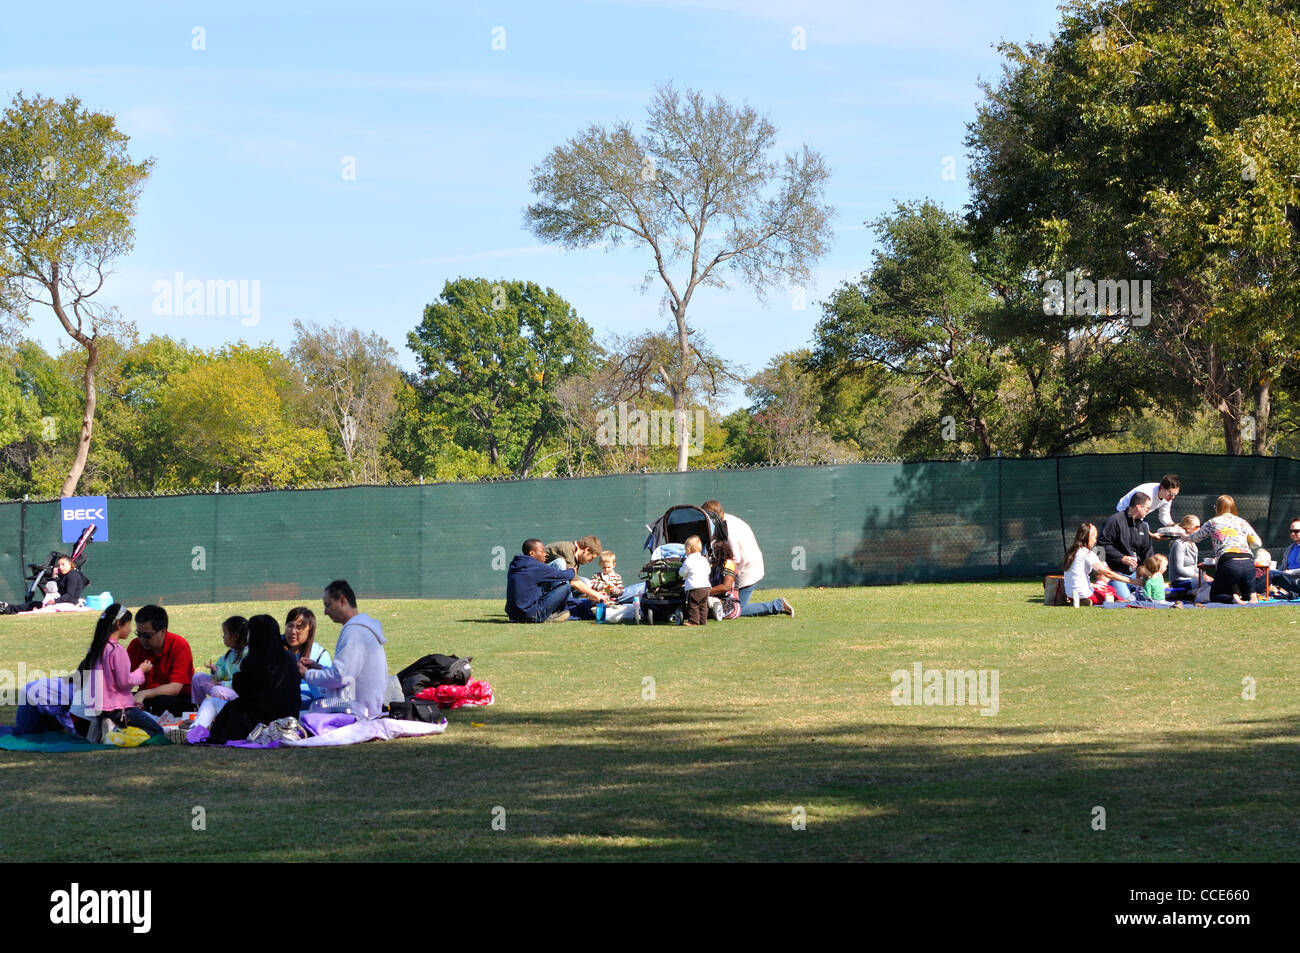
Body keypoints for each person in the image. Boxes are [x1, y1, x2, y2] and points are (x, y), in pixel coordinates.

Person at [203, 615, 302, 745]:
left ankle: (194, 729)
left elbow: (246, 692)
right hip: (288, 719)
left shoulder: (255, 660)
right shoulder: (289, 658)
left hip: (256, 722)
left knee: (214, 704)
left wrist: (238, 678)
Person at [301, 580, 390, 720]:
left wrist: (307, 674)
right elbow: (349, 674)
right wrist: (319, 668)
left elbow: (341, 677)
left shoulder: (354, 631)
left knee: (300, 717)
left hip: (356, 713)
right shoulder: (362, 629)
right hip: (366, 709)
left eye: (328, 605)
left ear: (342, 601)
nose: (325, 612)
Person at [75, 604, 160, 741]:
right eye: (128, 624)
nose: (130, 629)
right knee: (156, 731)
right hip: (119, 709)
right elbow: (124, 682)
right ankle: (116, 731)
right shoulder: (117, 650)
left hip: (99, 709)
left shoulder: (97, 648)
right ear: (119, 623)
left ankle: (111, 729)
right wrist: (141, 671)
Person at [700, 500, 793, 617]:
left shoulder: (727, 529)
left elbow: (736, 557)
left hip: (748, 570)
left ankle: (778, 605)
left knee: (737, 610)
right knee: (729, 606)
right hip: (745, 568)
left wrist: (722, 574)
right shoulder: (723, 523)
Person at [1183, 495, 1263, 604]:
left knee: (1215, 595)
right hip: (1248, 562)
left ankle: (1233, 598)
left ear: (1218, 508)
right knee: (1246, 594)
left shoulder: (1212, 522)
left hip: (1228, 562)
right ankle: (1252, 596)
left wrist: (1186, 537)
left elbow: (1197, 537)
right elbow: (1257, 543)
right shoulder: (1242, 522)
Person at [505, 539, 609, 623]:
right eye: (541, 551)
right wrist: (572, 571)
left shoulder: (515, 564)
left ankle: (571, 606)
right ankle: (559, 612)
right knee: (566, 585)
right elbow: (565, 576)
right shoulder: (536, 567)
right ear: (532, 553)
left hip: (513, 615)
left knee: (584, 582)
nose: (545, 554)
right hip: (532, 616)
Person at [127, 605, 196, 716]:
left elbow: (175, 688)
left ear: (163, 631)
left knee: (163, 701)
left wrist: (143, 694)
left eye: (147, 636)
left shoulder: (179, 645)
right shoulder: (135, 645)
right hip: (147, 698)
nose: (142, 639)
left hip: (177, 699)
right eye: (139, 634)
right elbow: (125, 680)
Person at [1098, 491, 1154, 600]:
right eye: (1147, 508)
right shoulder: (1114, 521)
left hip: (1136, 575)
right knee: (1128, 602)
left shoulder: (1143, 526)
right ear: (1138, 507)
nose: (1148, 511)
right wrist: (1121, 558)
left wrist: (1149, 571)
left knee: (1151, 599)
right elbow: (1100, 547)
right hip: (1116, 575)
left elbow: (1148, 552)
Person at [1062, 522, 1131, 604]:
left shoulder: (1071, 551)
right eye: (1094, 537)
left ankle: (1080, 601)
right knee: (1112, 593)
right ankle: (1086, 600)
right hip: (1085, 593)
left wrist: (1093, 585)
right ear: (1089, 537)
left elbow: (1075, 577)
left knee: (1102, 589)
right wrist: (1131, 581)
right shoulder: (1087, 553)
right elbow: (1107, 573)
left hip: (1070, 594)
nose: (1095, 540)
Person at [190, 616, 248, 709]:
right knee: (198, 678)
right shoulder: (228, 655)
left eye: (225, 633)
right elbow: (221, 675)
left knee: (217, 691)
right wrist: (215, 670)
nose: (223, 636)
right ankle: (198, 708)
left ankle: (220, 715)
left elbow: (246, 682)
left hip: (238, 694)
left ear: (235, 637)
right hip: (222, 687)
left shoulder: (249, 655)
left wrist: (223, 684)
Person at [283, 606, 332, 709]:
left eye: (299, 628)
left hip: (309, 705)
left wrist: (306, 674)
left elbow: (325, 696)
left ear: (310, 631)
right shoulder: (274, 646)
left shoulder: (320, 655)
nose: (292, 632)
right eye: (290, 625)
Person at [1116, 475, 1182, 537]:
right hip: (1124, 512)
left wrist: (1173, 526)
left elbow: (1164, 515)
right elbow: (1136, 513)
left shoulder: (1168, 497)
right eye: (1171, 494)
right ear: (1162, 488)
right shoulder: (1146, 493)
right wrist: (1149, 535)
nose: (1173, 497)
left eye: (1175, 495)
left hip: (1139, 516)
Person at [680, 535, 712, 627]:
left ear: (689, 550)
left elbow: (683, 573)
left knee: (693, 604)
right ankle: (703, 620)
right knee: (703, 605)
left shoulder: (688, 561)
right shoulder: (704, 559)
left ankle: (694, 621)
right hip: (706, 587)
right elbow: (708, 571)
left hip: (695, 587)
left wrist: (681, 574)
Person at [707, 539, 742, 620]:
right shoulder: (713, 566)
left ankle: (716, 610)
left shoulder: (729, 563)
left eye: (710, 551)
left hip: (730, 604)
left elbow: (726, 587)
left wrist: (705, 592)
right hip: (715, 599)